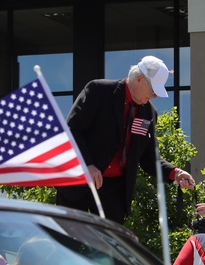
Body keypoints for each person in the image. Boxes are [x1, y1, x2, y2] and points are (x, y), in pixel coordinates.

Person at [55, 55, 196, 224]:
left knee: (111, 247)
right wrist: (88, 164)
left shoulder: (148, 113)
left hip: (113, 192)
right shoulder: (99, 90)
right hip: (78, 183)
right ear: (139, 79)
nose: (154, 96)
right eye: (153, 89)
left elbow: (149, 158)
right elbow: (71, 130)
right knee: (69, 244)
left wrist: (175, 173)